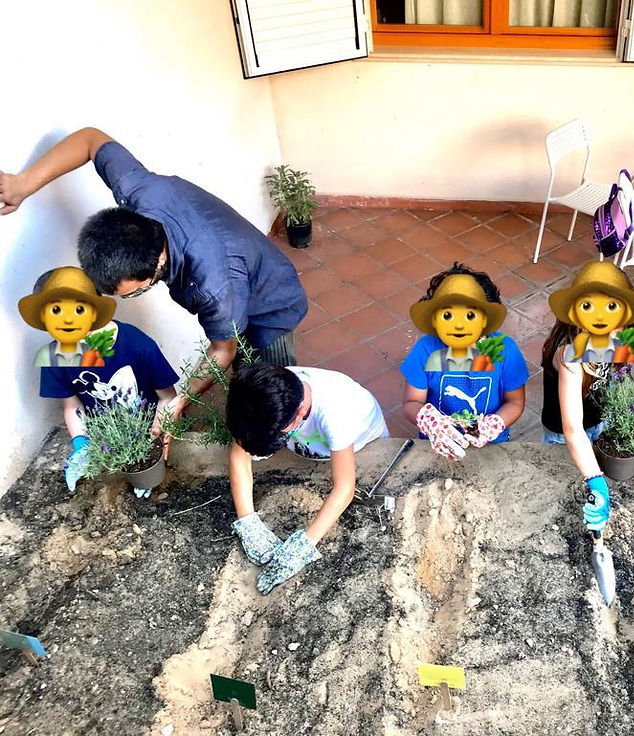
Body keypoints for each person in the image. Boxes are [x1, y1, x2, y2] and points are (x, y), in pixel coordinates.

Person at [0, 127, 308, 443]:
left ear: (157, 263)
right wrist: (23, 184)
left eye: (134, 291)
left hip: (271, 301)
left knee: (272, 400)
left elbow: (222, 350)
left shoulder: (212, 286)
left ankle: (280, 441)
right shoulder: (139, 191)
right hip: (236, 273)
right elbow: (91, 139)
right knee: (242, 372)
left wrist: (179, 402)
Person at [226, 363, 389, 595]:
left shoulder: (336, 414)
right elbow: (239, 453)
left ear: (301, 411)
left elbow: (344, 488)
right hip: (313, 444)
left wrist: (303, 546)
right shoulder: (263, 393)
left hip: (361, 444)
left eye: (281, 434)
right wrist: (248, 522)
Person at [18, 267, 179, 495]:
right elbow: (72, 404)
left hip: (147, 429)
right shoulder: (58, 355)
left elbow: (168, 397)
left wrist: (154, 444)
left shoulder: (137, 344)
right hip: (107, 436)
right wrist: (80, 444)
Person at [543, 261, 634, 533]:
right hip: (563, 433)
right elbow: (572, 429)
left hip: (598, 421)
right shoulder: (568, 354)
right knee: (565, 486)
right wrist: (597, 482)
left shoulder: (620, 337)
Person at [400, 263, 528, 460]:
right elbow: (412, 402)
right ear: (435, 319)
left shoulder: (504, 350)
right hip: (439, 443)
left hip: (491, 444)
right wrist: (430, 421)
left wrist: (494, 424)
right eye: (448, 315)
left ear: (485, 320)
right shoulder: (425, 350)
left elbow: (515, 402)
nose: (459, 325)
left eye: (469, 315)